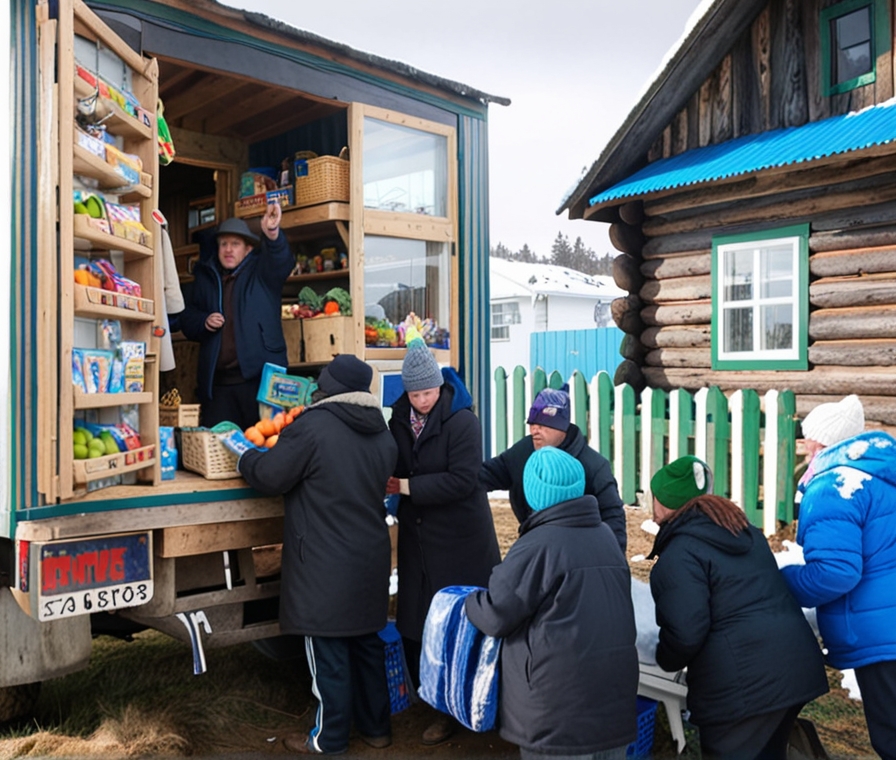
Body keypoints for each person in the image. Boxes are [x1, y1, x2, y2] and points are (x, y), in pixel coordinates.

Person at [234, 354, 398, 755]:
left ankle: (329, 739)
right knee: (365, 644)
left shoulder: (311, 428)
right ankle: (377, 730)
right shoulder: (384, 434)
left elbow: (271, 476)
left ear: (328, 388)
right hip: (370, 557)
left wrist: (244, 455)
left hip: (324, 562)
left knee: (329, 653)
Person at [648, 456, 829, 760]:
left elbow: (686, 631)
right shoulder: (742, 532)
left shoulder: (678, 556)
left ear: (664, 502)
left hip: (744, 690)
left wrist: (663, 658)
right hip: (792, 669)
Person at [465, 446, 639, 760]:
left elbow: (495, 614)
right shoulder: (606, 538)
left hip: (558, 716)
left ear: (533, 494)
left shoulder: (536, 546)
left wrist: (468, 602)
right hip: (612, 707)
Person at [386, 328, 501, 746]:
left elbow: (463, 480)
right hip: (418, 537)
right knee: (415, 620)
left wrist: (406, 488)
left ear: (439, 384)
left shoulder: (462, 421)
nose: (423, 401)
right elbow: (394, 462)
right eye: (416, 395)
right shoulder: (399, 418)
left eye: (429, 393)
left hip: (460, 538)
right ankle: (427, 693)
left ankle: (454, 707)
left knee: (458, 621)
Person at [781, 395, 896, 760]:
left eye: (807, 439)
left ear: (822, 442)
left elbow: (835, 573)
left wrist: (779, 583)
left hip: (880, 633)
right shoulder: (883, 475)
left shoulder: (835, 486)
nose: (804, 447)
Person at [178, 203, 293, 430]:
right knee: (219, 449)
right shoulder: (206, 277)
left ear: (248, 249)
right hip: (218, 385)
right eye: (223, 244)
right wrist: (203, 321)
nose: (228, 249)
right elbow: (186, 318)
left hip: (259, 381)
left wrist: (271, 233)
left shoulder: (262, 272)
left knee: (265, 444)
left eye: (235, 244)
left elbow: (282, 261)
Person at [479, 386, 627, 551]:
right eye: (532, 423)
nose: (535, 429)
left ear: (562, 427)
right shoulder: (522, 452)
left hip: (579, 549)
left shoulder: (594, 466)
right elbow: (488, 474)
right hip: (533, 542)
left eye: (543, 423)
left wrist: (613, 560)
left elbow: (613, 516)